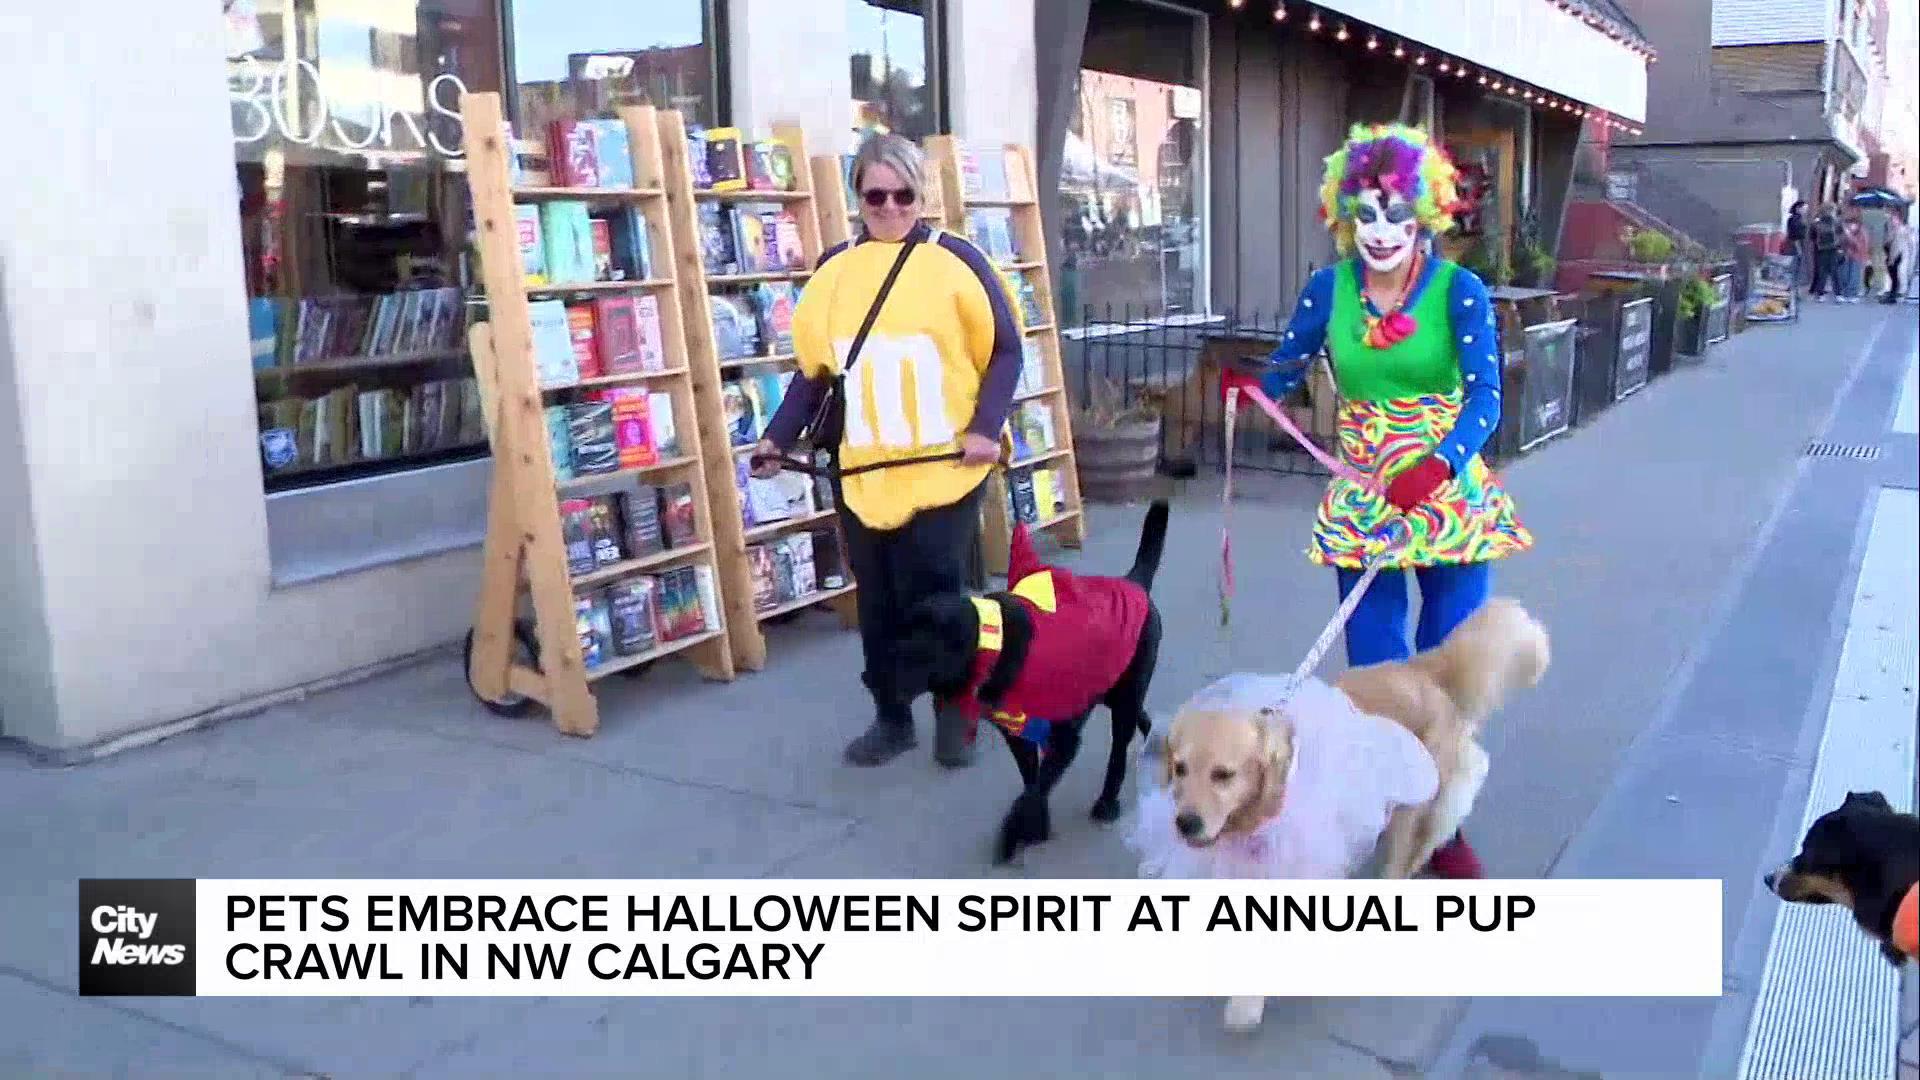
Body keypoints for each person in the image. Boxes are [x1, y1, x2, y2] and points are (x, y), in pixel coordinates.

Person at [1220, 122, 1533, 879]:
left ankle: (1442, 825)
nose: (1381, 230)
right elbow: (1287, 367)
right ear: (1344, 216)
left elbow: (1487, 397)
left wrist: (1441, 464)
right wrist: (1253, 386)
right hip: (1366, 497)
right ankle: (1384, 806)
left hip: (1445, 494)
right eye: (1366, 214)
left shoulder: (1460, 291)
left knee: (1454, 670)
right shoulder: (1329, 290)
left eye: (1397, 213)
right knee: (1378, 672)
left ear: (1424, 215)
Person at [753, 133, 1023, 769]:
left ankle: (957, 713)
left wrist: (986, 427)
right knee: (878, 603)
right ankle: (891, 716)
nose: (892, 208)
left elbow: (1006, 349)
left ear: (921, 195)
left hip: (948, 472)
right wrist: (776, 437)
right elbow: (815, 373)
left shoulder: (958, 260)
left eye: (904, 195)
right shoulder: (834, 271)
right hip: (864, 474)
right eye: (876, 195)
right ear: (858, 198)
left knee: (945, 602)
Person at [1809, 205, 1842, 301]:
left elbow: (1812, 236)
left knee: (1822, 272)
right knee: (1834, 272)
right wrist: (1839, 247)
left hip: (1820, 249)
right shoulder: (1836, 222)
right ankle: (1838, 294)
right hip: (1833, 249)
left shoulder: (1816, 223)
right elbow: (1840, 235)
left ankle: (1820, 294)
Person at [1842, 213, 1870, 303]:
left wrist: (1849, 236)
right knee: (1847, 274)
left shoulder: (1861, 232)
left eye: (1851, 224)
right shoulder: (1855, 232)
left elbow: (1858, 245)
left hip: (1858, 256)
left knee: (1854, 275)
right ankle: (1847, 293)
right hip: (1850, 255)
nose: (1850, 226)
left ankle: (1853, 294)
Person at [1887, 216, 1912, 305]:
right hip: (1895, 254)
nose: (1893, 222)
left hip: (1900, 254)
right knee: (1894, 275)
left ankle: (1899, 293)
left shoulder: (1903, 229)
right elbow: (1890, 242)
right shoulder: (1894, 230)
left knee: (1899, 273)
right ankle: (1894, 293)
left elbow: (1906, 242)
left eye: (1894, 220)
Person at [1785, 200, 1809, 289]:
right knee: (1795, 267)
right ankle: (1792, 287)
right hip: (1796, 244)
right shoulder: (1795, 219)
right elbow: (1794, 235)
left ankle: (1793, 287)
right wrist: (1798, 247)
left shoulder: (1798, 219)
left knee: (1796, 267)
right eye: (1804, 209)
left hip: (1798, 244)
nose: (1806, 211)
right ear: (1798, 208)